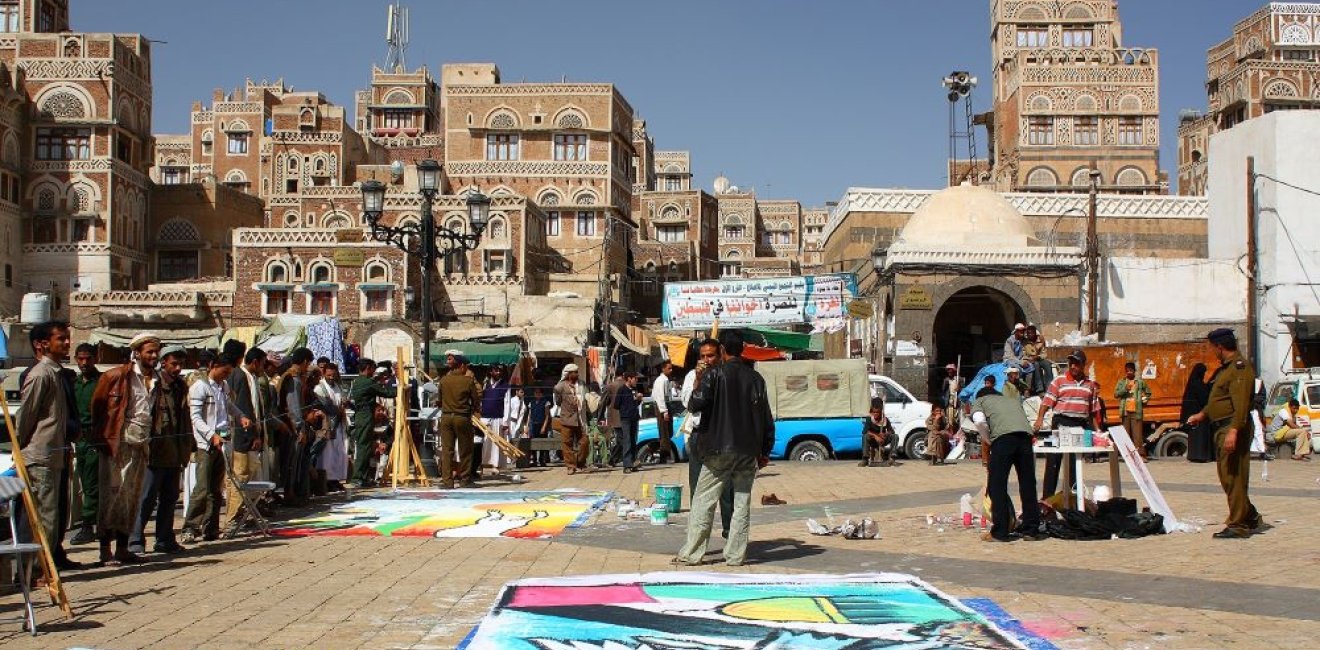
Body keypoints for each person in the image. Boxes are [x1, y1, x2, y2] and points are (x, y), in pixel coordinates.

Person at [675, 331, 774, 567]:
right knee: (741, 503)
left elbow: (694, 404)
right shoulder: (756, 379)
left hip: (718, 449)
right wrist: (765, 451)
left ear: (721, 351)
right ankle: (736, 555)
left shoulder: (714, 375)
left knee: (703, 501)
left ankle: (693, 552)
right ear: (742, 349)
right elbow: (766, 418)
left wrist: (699, 380)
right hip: (748, 451)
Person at [90, 333, 169, 565]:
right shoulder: (116, 376)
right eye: (149, 352)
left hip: (141, 444)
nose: (153, 356)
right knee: (112, 496)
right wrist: (103, 439)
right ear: (137, 353)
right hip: (118, 443)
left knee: (132, 496)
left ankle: (123, 548)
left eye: (156, 352)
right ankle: (105, 549)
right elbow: (98, 408)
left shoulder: (156, 380)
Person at [14, 321, 82, 570]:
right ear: (43, 344)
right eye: (60, 339)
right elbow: (24, 419)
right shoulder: (40, 374)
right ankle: (34, 571)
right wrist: (21, 451)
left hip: (56, 456)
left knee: (53, 518)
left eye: (67, 338)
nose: (66, 343)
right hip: (40, 458)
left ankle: (46, 567)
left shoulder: (57, 373)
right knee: (43, 519)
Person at [1186, 328, 1263, 539]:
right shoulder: (1225, 370)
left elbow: (1240, 404)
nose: (1212, 352)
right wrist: (1202, 415)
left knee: (1234, 476)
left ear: (1220, 347)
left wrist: (1234, 431)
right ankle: (1250, 515)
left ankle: (1238, 524)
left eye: (1212, 347)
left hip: (1232, 426)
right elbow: (1219, 400)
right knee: (1227, 476)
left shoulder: (1239, 368)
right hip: (1222, 427)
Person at [127, 345, 192, 554]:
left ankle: (164, 538)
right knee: (145, 498)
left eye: (180, 364)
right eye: (174, 363)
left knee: (170, 498)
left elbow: (184, 420)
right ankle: (135, 539)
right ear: (164, 363)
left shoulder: (180, 387)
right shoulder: (154, 385)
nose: (178, 368)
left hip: (174, 452)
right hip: (154, 452)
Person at [182, 352, 249, 543]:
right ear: (214, 366)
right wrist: (212, 436)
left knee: (215, 489)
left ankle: (211, 527)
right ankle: (190, 527)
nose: (226, 376)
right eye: (224, 371)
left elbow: (228, 406)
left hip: (223, 442)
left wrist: (240, 416)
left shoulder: (223, 386)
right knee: (202, 488)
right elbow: (196, 417)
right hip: (206, 444)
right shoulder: (200, 387)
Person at [972, 387, 1044, 542]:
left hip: (1003, 439)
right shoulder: (1012, 400)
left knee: (997, 484)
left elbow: (979, 421)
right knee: (1028, 484)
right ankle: (1031, 529)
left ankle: (1000, 531)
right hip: (1025, 439)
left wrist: (988, 440)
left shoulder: (980, 400)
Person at [1032, 349, 1103, 501]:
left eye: (1076, 364)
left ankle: (1072, 499)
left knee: (1074, 463)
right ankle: (1047, 500)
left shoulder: (1090, 385)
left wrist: (1097, 430)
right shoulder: (1058, 381)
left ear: (1083, 365)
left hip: (1080, 425)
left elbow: (1093, 411)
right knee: (1053, 462)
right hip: (1060, 423)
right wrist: (1039, 419)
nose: (1073, 366)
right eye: (1071, 363)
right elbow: (1046, 403)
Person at [681, 339, 733, 538]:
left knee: (727, 489)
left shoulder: (726, 375)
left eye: (710, 356)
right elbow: (688, 403)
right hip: (699, 435)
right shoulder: (692, 376)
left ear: (720, 355)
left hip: (722, 436)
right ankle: (698, 534)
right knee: (698, 489)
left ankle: (729, 530)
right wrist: (699, 381)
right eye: (702, 356)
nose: (706, 360)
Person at [225, 348, 269, 528]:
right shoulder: (240, 376)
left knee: (248, 477)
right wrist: (252, 435)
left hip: (251, 435)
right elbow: (243, 408)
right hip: (242, 438)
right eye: (263, 363)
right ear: (255, 362)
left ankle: (244, 513)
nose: (264, 368)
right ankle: (232, 518)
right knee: (239, 477)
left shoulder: (252, 378)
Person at [69, 343, 102, 546]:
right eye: (80, 359)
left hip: (95, 439)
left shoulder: (101, 382)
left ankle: (89, 524)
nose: (84, 363)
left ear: (95, 358)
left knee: (92, 484)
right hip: (78, 440)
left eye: (88, 358)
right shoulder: (74, 382)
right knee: (83, 482)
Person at [277, 347, 314, 505]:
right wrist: (300, 428)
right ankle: (289, 493)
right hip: (292, 427)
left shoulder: (292, 377)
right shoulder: (293, 379)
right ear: (305, 361)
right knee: (292, 462)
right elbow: (294, 408)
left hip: (290, 425)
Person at [350, 358, 395, 487]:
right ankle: (358, 477)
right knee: (364, 448)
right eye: (373, 369)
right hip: (365, 417)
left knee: (366, 447)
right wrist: (399, 388)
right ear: (368, 368)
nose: (374, 372)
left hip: (362, 416)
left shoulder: (358, 381)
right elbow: (387, 393)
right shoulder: (367, 382)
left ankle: (363, 477)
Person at [437, 354, 481, 488]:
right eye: (466, 367)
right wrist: (472, 410)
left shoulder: (443, 380)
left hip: (446, 418)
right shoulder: (467, 381)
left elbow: (439, 400)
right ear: (462, 366)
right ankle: (465, 479)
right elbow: (476, 400)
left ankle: (447, 481)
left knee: (447, 450)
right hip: (462, 417)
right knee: (465, 450)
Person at [313, 363, 350, 489]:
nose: (331, 377)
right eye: (329, 375)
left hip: (338, 425)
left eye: (334, 375)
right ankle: (327, 480)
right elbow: (324, 406)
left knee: (339, 452)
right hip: (327, 425)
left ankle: (336, 479)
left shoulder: (338, 387)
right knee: (327, 454)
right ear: (324, 374)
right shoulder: (319, 388)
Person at [553, 364, 588, 475]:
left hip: (580, 419)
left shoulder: (581, 384)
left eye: (577, 372)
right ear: (568, 374)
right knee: (567, 443)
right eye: (574, 372)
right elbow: (558, 402)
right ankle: (570, 466)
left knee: (584, 442)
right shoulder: (560, 386)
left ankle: (580, 463)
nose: (577, 374)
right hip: (567, 418)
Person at [1115, 362, 1153, 461]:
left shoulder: (1140, 382)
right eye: (1127, 371)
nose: (1129, 373)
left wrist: (1144, 400)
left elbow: (1148, 393)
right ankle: (1127, 456)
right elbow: (1116, 394)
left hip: (1137, 411)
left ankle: (1141, 455)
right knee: (1125, 435)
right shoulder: (1122, 382)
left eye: (1131, 370)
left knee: (1137, 435)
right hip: (1125, 411)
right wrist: (1125, 389)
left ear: (1134, 371)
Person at [480, 365, 511, 477]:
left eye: (500, 371)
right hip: (485, 418)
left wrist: (505, 422)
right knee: (484, 443)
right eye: (496, 370)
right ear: (491, 372)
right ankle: (483, 466)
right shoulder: (485, 384)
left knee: (496, 444)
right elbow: (481, 401)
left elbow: (507, 404)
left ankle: (495, 466)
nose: (498, 372)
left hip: (498, 418)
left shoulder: (505, 386)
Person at [614, 372, 643, 472]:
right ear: (629, 379)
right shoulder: (621, 390)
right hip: (626, 418)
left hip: (634, 417)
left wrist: (638, 400)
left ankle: (634, 462)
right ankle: (627, 465)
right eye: (635, 379)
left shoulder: (634, 390)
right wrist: (625, 407)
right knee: (627, 441)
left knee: (633, 440)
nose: (636, 381)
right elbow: (616, 405)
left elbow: (635, 404)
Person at [651, 361, 678, 463]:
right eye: (669, 368)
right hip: (662, 408)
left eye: (671, 368)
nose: (671, 371)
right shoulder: (660, 381)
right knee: (664, 433)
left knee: (668, 432)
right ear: (663, 369)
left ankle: (664, 453)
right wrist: (664, 411)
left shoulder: (666, 380)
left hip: (666, 407)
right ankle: (663, 456)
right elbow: (660, 397)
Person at [861, 400, 895, 467]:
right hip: (873, 441)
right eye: (874, 412)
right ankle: (865, 459)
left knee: (895, 436)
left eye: (877, 412)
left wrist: (885, 434)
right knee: (865, 436)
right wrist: (876, 436)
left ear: (880, 412)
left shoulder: (885, 419)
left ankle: (892, 458)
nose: (875, 414)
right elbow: (865, 431)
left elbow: (891, 431)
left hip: (883, 440)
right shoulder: (869, 419)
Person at [526, 386, 553, 467]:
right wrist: (527, 425)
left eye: (539, 393)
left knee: (542, 443)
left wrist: (544, 426)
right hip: (533, 424)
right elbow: (529, 415)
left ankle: (542, 460)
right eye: (536, 393)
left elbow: (547, 416)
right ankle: (534, 460)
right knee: (533, 442)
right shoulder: (532, 402)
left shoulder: (545, 402)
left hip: (541, 423)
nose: (537, 394)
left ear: (542, 394)